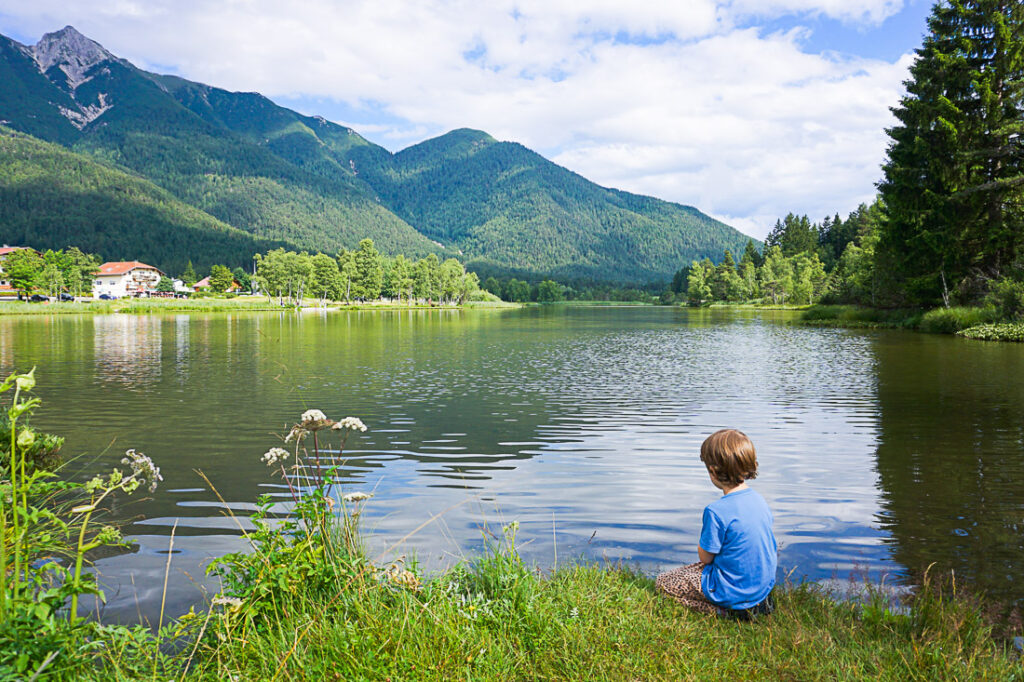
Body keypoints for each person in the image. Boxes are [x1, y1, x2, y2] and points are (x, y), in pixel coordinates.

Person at [655, 429, 777, 618]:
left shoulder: (716, 511)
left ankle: (726, 612)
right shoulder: (760, 500)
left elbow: (706, 559)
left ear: (712, 470)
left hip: (730, 589)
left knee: (663, 582)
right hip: (761, 587)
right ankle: (758, 604)